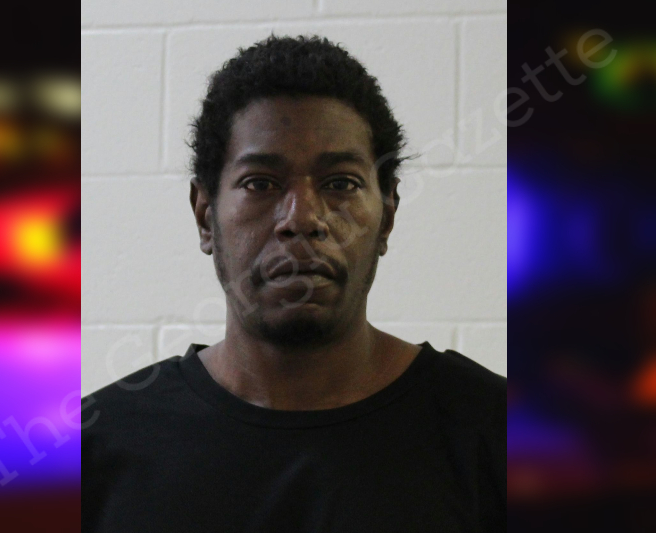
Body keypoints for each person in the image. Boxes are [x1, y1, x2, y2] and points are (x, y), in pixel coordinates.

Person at [82, 34, 506, 532]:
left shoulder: (496, 433)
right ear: (205, 216)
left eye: (340, 183)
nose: (302, 219)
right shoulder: (97, 449)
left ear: (387, 217)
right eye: (260, 183)